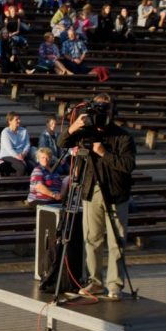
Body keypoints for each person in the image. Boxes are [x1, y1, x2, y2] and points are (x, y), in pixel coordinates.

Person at [58, 94, 136, 300]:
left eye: (105, 110)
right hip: (91, 191)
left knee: (116, 241)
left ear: (112, 112)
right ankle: (95, 282)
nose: (100, 115)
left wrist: (103, 153)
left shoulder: (123, 137)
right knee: (92, 239)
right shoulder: (85, 132)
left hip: (116, 193)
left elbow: (128, 165)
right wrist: (74, 127)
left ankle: (115, 286)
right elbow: (62, 142)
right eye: (97, 110)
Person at [0, 111, 32, 176]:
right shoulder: (5, 132)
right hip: (8, 155)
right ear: (10, 121)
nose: (19, 121)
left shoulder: (24, 130)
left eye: (19, 119)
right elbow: (9, 149)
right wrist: (19, 158)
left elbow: (27, 144)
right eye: (16, 119)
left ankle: (29, 182)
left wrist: (24, 153)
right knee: (21, 167)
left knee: (32, 166)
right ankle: (16, 182)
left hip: (22, 154)